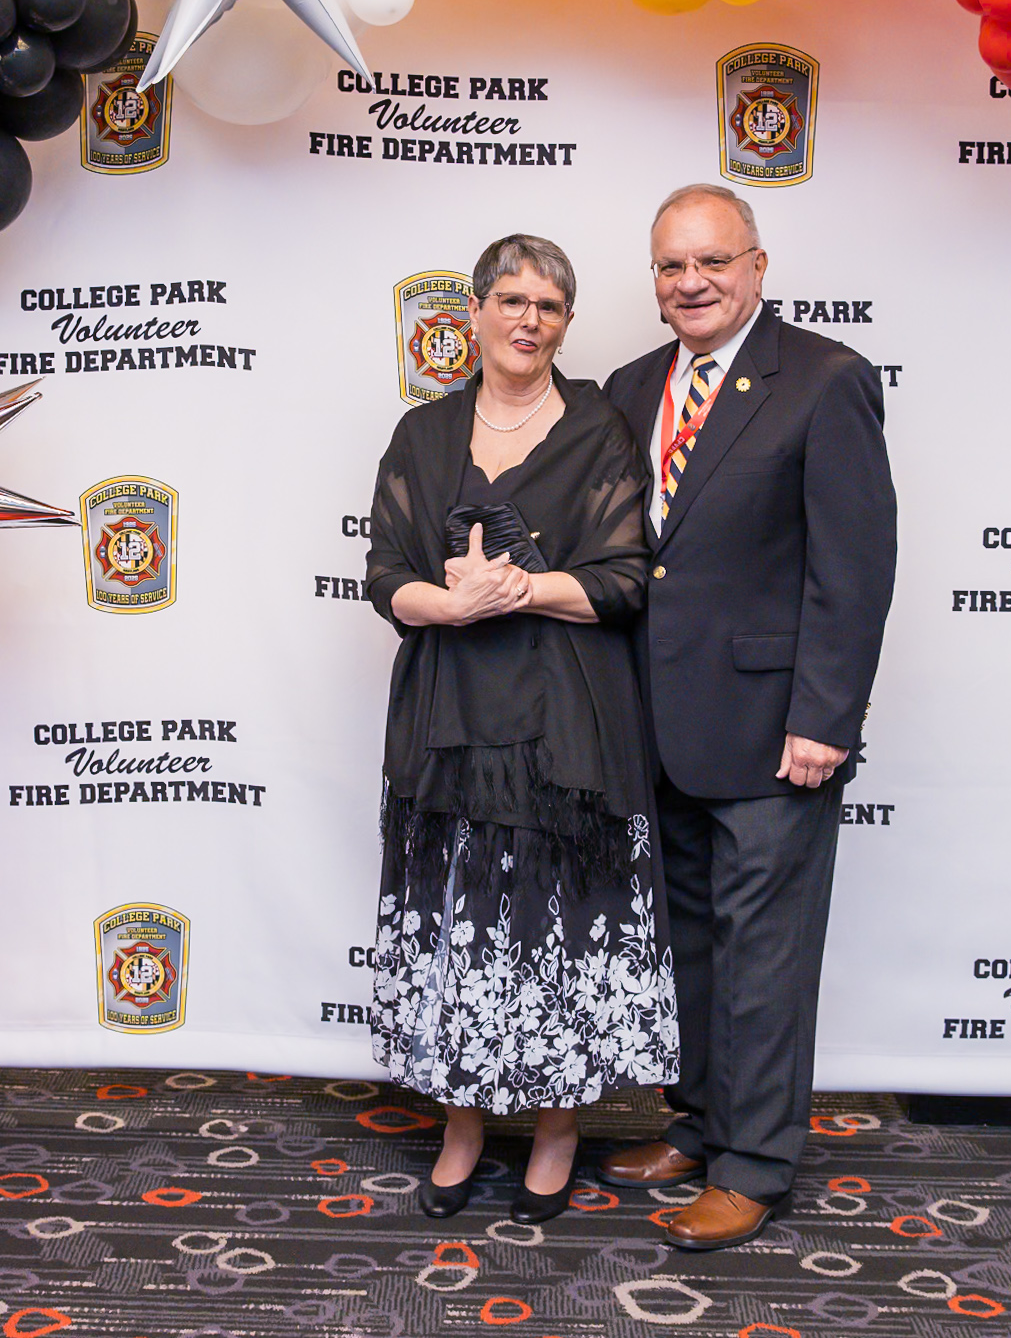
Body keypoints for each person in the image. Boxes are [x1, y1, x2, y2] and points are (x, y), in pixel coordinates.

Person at [598, 183, 897, 1251]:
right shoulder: (630, 387)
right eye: (671, 266)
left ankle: (755, 1166)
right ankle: (699, 1123)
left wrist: (825, 719)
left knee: (765, 954)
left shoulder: (825, 379)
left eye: (712, 261)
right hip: (659, 724)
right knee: (688, 943)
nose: (691, 283)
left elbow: (854, 568)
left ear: (757, 267)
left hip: (778, 732)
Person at [364, 233, 678, 1225]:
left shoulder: (598, 430)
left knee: (560, 926)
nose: (527, 320)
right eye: (510, 299)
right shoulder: (422, 434)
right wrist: (450, 605)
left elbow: (624, 581)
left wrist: (520, 590)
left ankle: (555, 1130)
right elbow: (385, 576)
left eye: (547, 305)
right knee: (455, 923)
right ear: (474, 313)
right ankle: (460, 1127)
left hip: (566, 718)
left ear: (566, 323)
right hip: (450, 716)